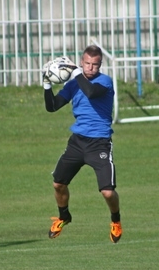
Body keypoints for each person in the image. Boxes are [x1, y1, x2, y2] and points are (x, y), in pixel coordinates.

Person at [43, 45, 122, 243]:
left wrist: (77, 73)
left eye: (95, 65)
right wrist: (46, 85)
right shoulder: (73, 85)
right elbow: (52, 107)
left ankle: (116, 220)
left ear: (100, 65)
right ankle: (64, 216)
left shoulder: (104, 81)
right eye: (87, 63)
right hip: (77, 142)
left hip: (99, 143)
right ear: (81, 61)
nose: (90, 68)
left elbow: (91, 93)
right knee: (58, 184)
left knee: (108, 191)